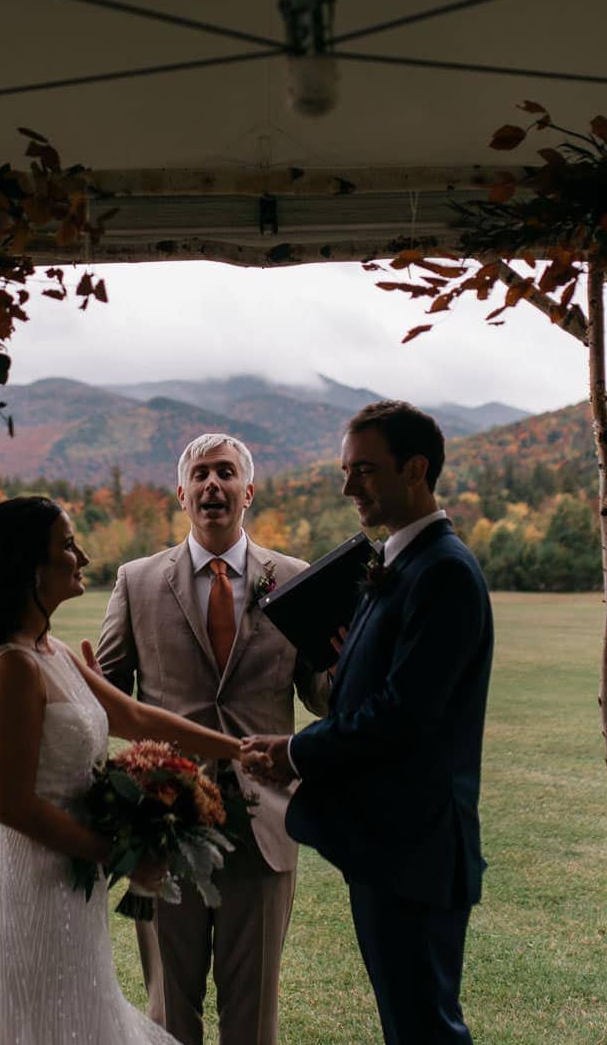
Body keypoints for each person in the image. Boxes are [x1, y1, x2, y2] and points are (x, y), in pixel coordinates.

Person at [241, 401, 494, 1045]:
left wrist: (294, 751)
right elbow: (369, 689)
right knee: (407, 1023)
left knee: (425, 1029)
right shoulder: (401, 562)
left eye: (364, 471)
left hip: (417, 845)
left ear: (415, 470)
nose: (349, 486)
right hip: (387, 844)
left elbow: (400, 716)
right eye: (345, 470)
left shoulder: (442, 571)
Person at [0, 495, 244, 1045]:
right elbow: (10, 804)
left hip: (72, 892)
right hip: (29, 895)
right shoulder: (13, 666)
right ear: (32, 568)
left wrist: (239, 749)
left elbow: (133, 717)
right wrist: (120, 853)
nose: (82, 556)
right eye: (67, 545)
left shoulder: (50, 652)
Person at [97, 434, 333, 1045]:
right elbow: (107, 701)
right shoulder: (138, 581)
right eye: (199, 475)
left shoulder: (295, 580)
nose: (212, 485)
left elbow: (322, 695)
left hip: (266, 823)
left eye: (225, 473)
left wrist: (353, 650)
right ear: (182, 493)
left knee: (252, 1013)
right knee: (169, 1008)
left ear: (247, 491)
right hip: (164, 824)